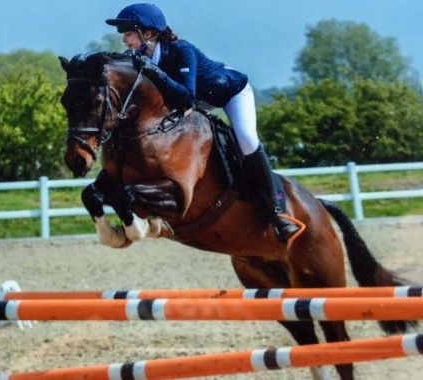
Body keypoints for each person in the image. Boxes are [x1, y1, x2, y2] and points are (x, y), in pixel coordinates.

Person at [106, 3, 301, 244]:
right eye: (123, 35)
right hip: (198, 99)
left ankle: (277, 212)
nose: (124, 40)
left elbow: (186, 96)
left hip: (230, 92)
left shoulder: (181, 50)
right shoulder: (139, 58)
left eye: (128, 34)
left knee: (247, 139)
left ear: (148, 33)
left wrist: (155, 73)